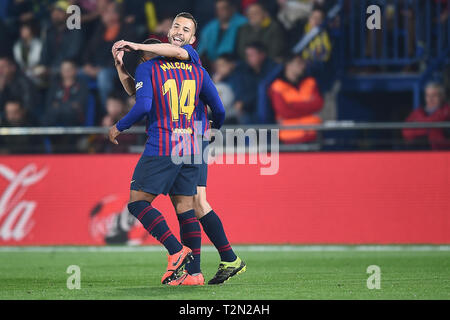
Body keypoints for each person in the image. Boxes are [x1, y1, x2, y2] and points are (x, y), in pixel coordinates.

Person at [113, 13, 246, 286]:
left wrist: (119, 126)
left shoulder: (177, 59)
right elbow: (219, 109)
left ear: (192, 40)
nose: (179, 32)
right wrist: (211, 129)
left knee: (145, 202)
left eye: (185, 29)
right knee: (189, 206)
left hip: (167, 142)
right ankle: (196, 272)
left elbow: (142, 103)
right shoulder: (196, 70)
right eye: (176, 26)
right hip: (194, 142)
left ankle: (182, 253)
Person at [268, 53, 324, 144]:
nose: (303, 66)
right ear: (288, 65)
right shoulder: (277, 86)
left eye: (303, 63)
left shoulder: (310, 82)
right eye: (299, 63)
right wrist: (308, 107)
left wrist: (293, 105)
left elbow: (318, 104)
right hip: (289, 136)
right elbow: (284, 112)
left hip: (312, 134)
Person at [402, 82, 450, 150]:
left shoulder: (447, 111)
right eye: (428, 95)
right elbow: (406, 131)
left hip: (440, 152)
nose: (430, 99)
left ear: (442, 97)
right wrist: (428, 130)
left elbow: (434, 125)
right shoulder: (417, 112)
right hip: (417, 151)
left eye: (434, 95)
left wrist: (418, 126)